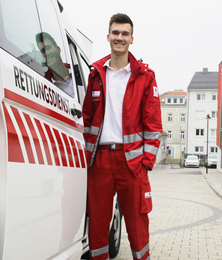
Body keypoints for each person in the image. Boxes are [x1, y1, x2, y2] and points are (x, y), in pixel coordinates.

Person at [82, 13, 162, 260]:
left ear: (132, 39)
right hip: (100, 163)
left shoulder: (145, 76)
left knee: (138, 226)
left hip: (132, 165)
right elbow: (87, 119)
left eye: (124, 33)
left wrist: (145, 163)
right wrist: (88, 157)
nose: (119, 38)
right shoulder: (96, 73)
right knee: (97, 226)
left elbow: (154, 124)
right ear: (108, 36)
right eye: (115, 33)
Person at [35, 32, 74, 97]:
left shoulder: (78, 73)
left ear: (58, 49)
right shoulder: (44, 89)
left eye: (48, 48)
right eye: (43, 51)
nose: (47, 53)